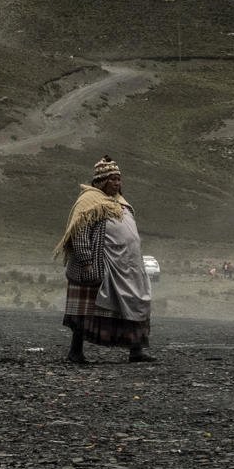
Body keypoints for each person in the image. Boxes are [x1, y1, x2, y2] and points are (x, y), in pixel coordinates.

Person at [53, 156, 154, 364]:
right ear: (101, 181)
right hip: (100, 264)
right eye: (113, 179)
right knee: (85, 310)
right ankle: (75, 352)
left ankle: (136, 350)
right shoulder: (89, 202)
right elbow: (79, 233)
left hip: (128, 266)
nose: (118, 183)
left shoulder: (121, 203)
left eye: (119, 179)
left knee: (135, 303)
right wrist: (86, 261)